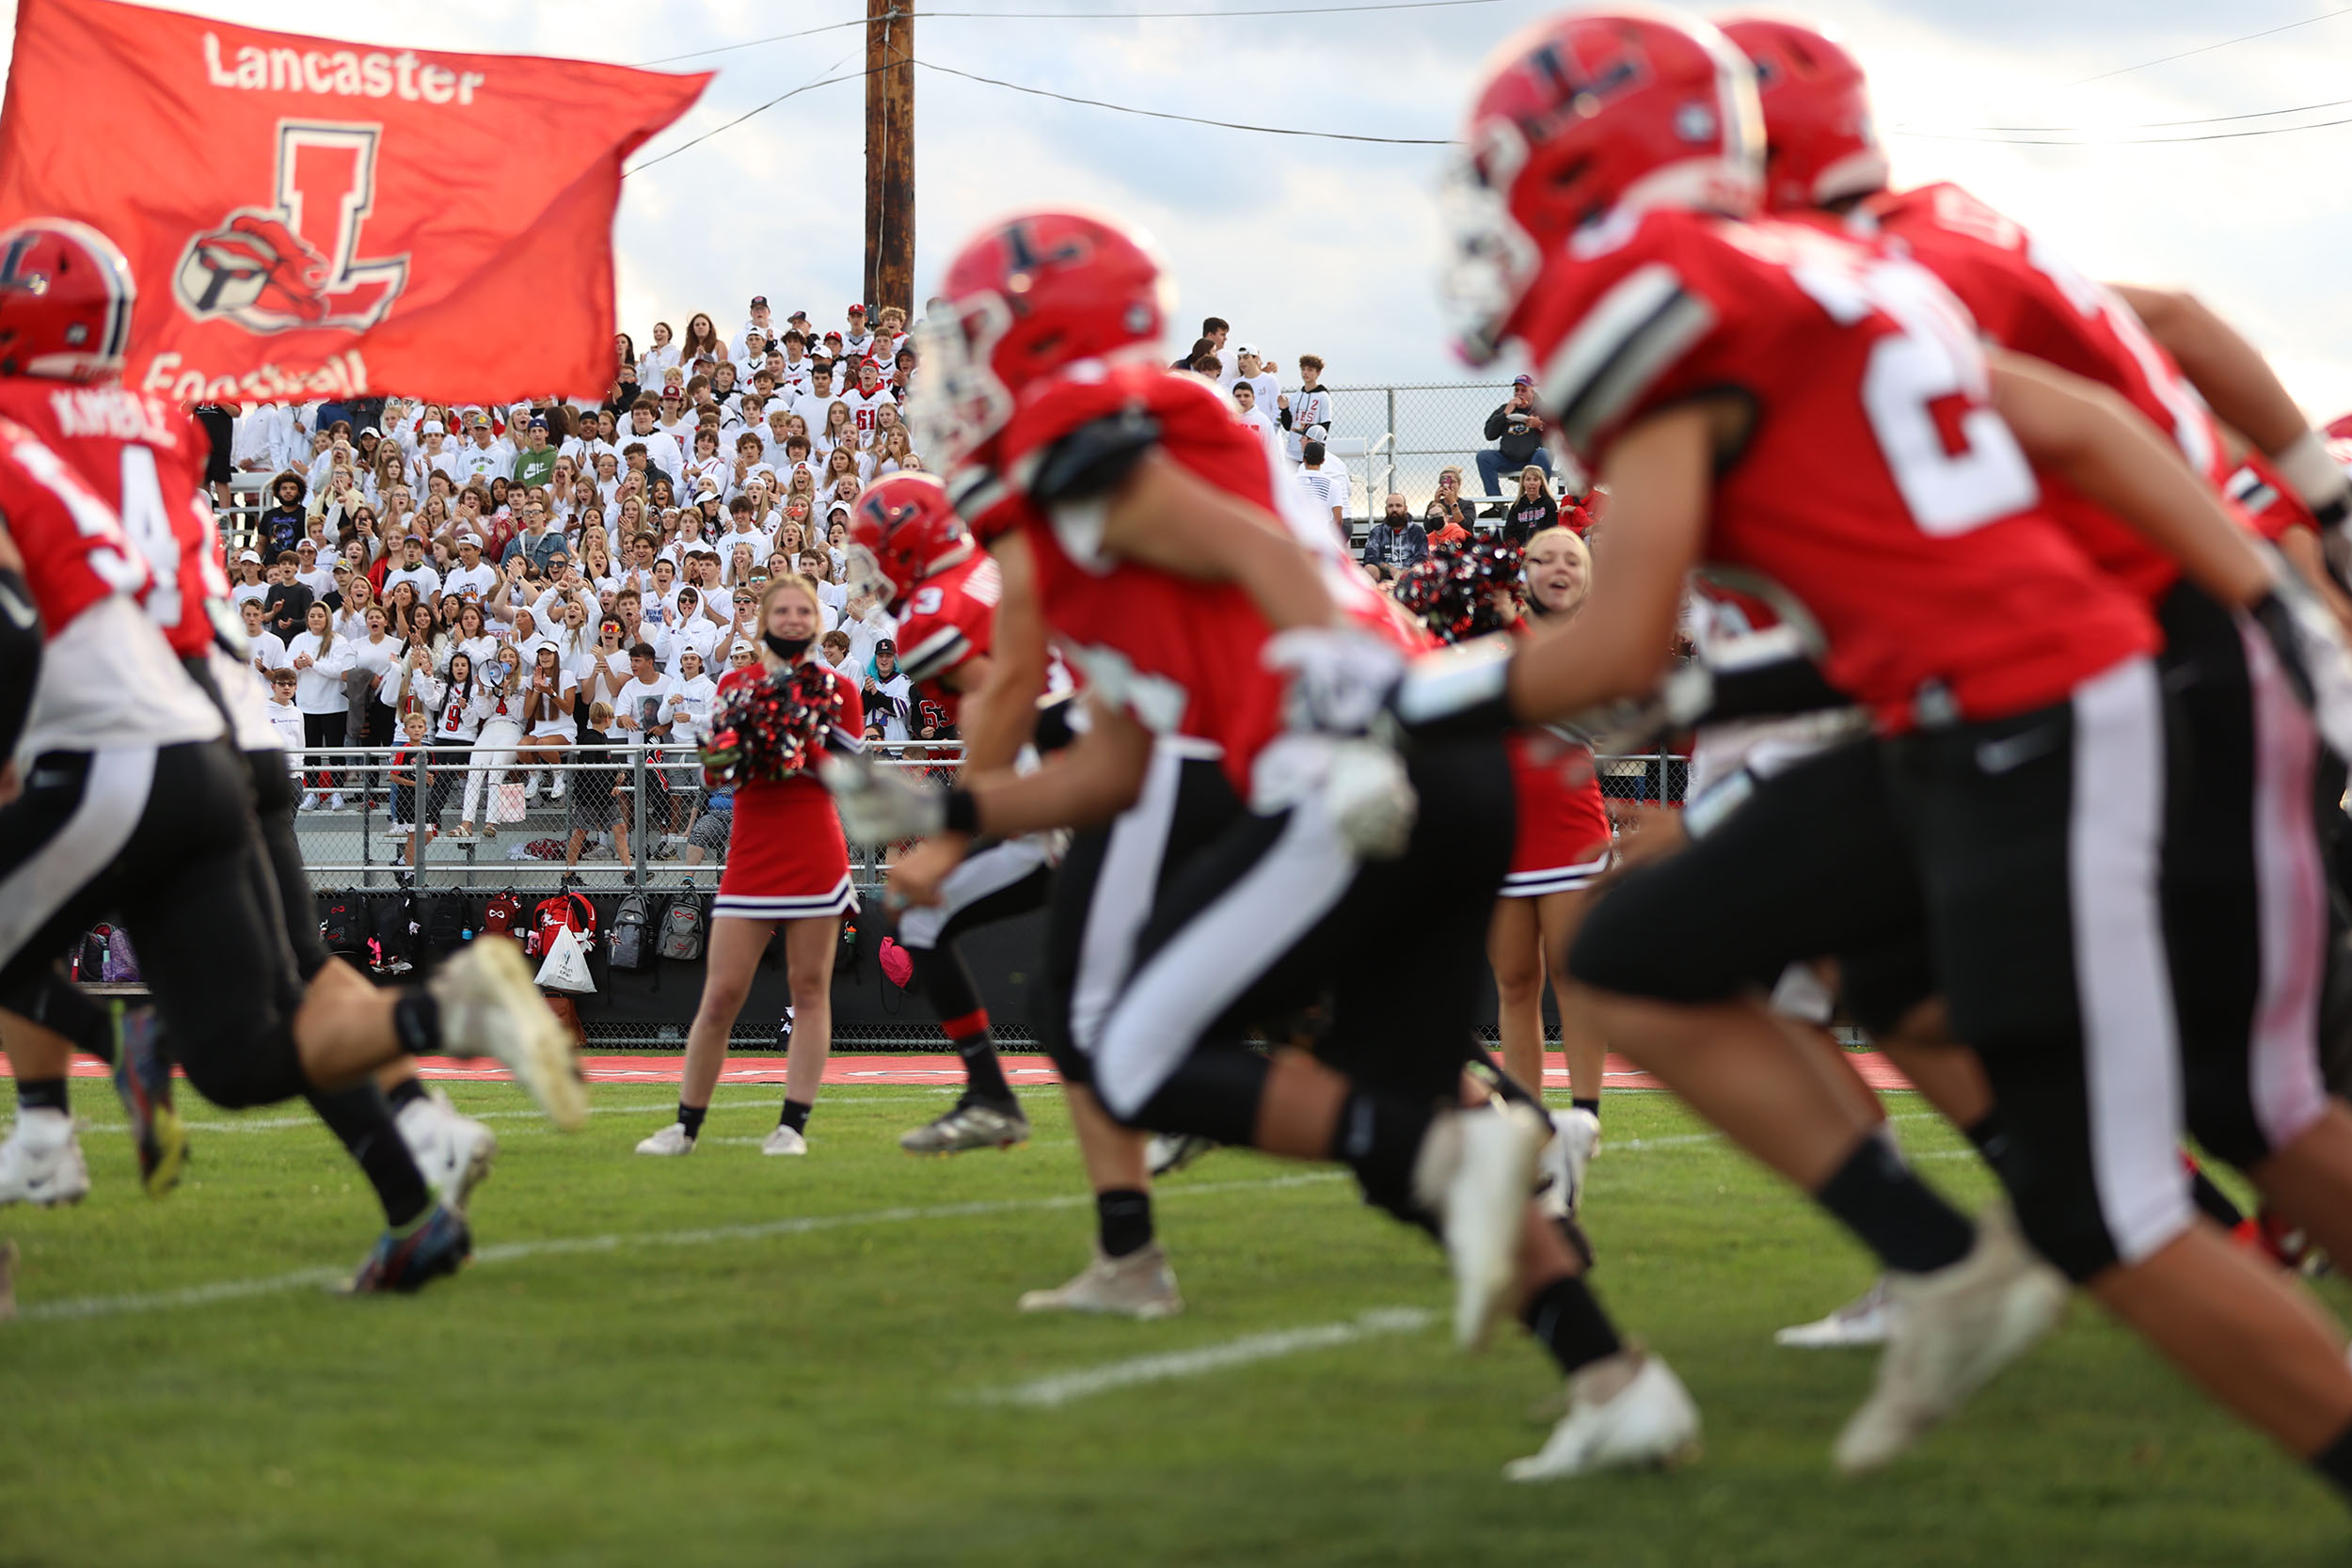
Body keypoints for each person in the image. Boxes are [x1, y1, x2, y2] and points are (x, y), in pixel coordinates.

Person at [1413, 8, 2352, 1487]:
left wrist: (1405, 701)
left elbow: (1617, 641)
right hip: (1997, 700)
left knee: (2126, 1192)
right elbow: (2087, 432)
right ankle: (1934, 1254)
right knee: (1666, 950)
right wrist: (2273, 603)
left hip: (2044, 710)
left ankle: (1969, 1258)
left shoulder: (1672, 290)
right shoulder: (1860, 267)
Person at [857, 211, 1661, 1426]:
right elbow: (1121, 756)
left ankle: (1459, 1146)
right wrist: (951, 803)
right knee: (1393, 1139)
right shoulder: (1114, 497)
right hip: (1422, 753)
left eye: (977, 343)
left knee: (1126, 1041)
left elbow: (1253, 555)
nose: (958, 380)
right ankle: (1613, 1377)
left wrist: (1337, 721)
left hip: (1346, 756)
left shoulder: (1095, 451)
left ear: (1051, 337)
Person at [0, 222, 576, 1289]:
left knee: (274, 988)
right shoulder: (156, 422)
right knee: (245, 1042)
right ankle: (429, 1089)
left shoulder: (22, 431)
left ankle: (69, 1105)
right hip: (223, 729)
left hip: (124, 738)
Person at [842, 474, 1044, 1156]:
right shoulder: (991, 568)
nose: (875, 575)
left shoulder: (933, 614)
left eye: (876, 555)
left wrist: (954, 832)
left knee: (921, 912)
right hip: (1086, 770)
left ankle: (992, 1095)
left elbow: (1004, 705)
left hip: (1060, 795)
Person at [637, 576, 865, 1158]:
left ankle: (792, 1127)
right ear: (762, 621)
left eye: (803, 610)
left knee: (809, 989)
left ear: (817, 620)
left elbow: (849, 777)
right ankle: (684, 1128)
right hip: (752, 851)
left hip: (815, 848)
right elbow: (715, 772)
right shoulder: (735, 683)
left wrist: (794, 745)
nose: (792, 619)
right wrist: (737, 748)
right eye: (781, 610)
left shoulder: (841, 689)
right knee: (720, 996)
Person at [1486, 529, 1611, 1198]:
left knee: (1574, 971)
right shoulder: (1491, 635)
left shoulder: (1598, 637)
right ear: (1521, 569)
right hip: (1504, 825)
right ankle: (1525, 1120)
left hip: (1569, 826)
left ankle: (1583, 1117)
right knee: (1513, 980)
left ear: (1589, 578)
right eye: (1543, 557)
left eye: (1572, 559)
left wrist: (1507, 625)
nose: (1557, 567)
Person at [286, 600, 355, 811]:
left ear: (327, 618)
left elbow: (339, 670)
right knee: (311, 752)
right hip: (307, 705)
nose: (316, 619)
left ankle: (337, 793)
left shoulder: (339, 640)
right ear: (307, 618)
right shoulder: (300, 639)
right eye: (312, 615)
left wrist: (312, 664)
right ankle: (313, 793)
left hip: (334, 705)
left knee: (335, 752)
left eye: (320, 615)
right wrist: (297, 665)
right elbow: (285, 666)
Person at [1478, 375, 1551, 501]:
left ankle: (1540, 499)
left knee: (1544, 453)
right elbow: (1490, 434)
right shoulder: (1505, 409)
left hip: (1533, 460)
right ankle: (1497, 503)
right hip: (1508, 459)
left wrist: (1541, 426)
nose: (1519, 394)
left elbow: (1558, 437)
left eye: (1523, 390)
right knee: (1483, 457)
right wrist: (1505, 414)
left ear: (1532, 391)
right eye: (1516, 390)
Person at [1359, 493, 1428, 582]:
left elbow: (1421, 557)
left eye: (1398, 506)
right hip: (1384, 575)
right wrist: (1390, 569)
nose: (1394, 509)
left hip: (1409, 575)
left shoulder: (1417, 531)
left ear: (1405, 509)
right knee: (1369, 569)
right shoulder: (1377, 532)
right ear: (1386, 509)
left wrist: (1407, 572)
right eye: (1390, 506)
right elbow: (1370, 557)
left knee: (1421, 569)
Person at [1280, 355, 1334, 465]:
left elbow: (1325, 427)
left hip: (1310, 454)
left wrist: (1307, 430)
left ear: (1318, 372)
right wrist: (1284, 409)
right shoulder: (1295, 396)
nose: (1305, 373)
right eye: (1303, 369)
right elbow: (1287, 426)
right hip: (1291, 453)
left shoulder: (1323, 397)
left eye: (1310, 370)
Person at [1502, 467, 1558, 546]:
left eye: (1535, 479)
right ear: (1523, 483)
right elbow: (1508, 533)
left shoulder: (1549, 503)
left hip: (1543, 545)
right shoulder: (1517, 506)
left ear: (1541, 482)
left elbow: (1553, 529)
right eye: (1528, 479)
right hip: (1521, 547)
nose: (1532, 483)